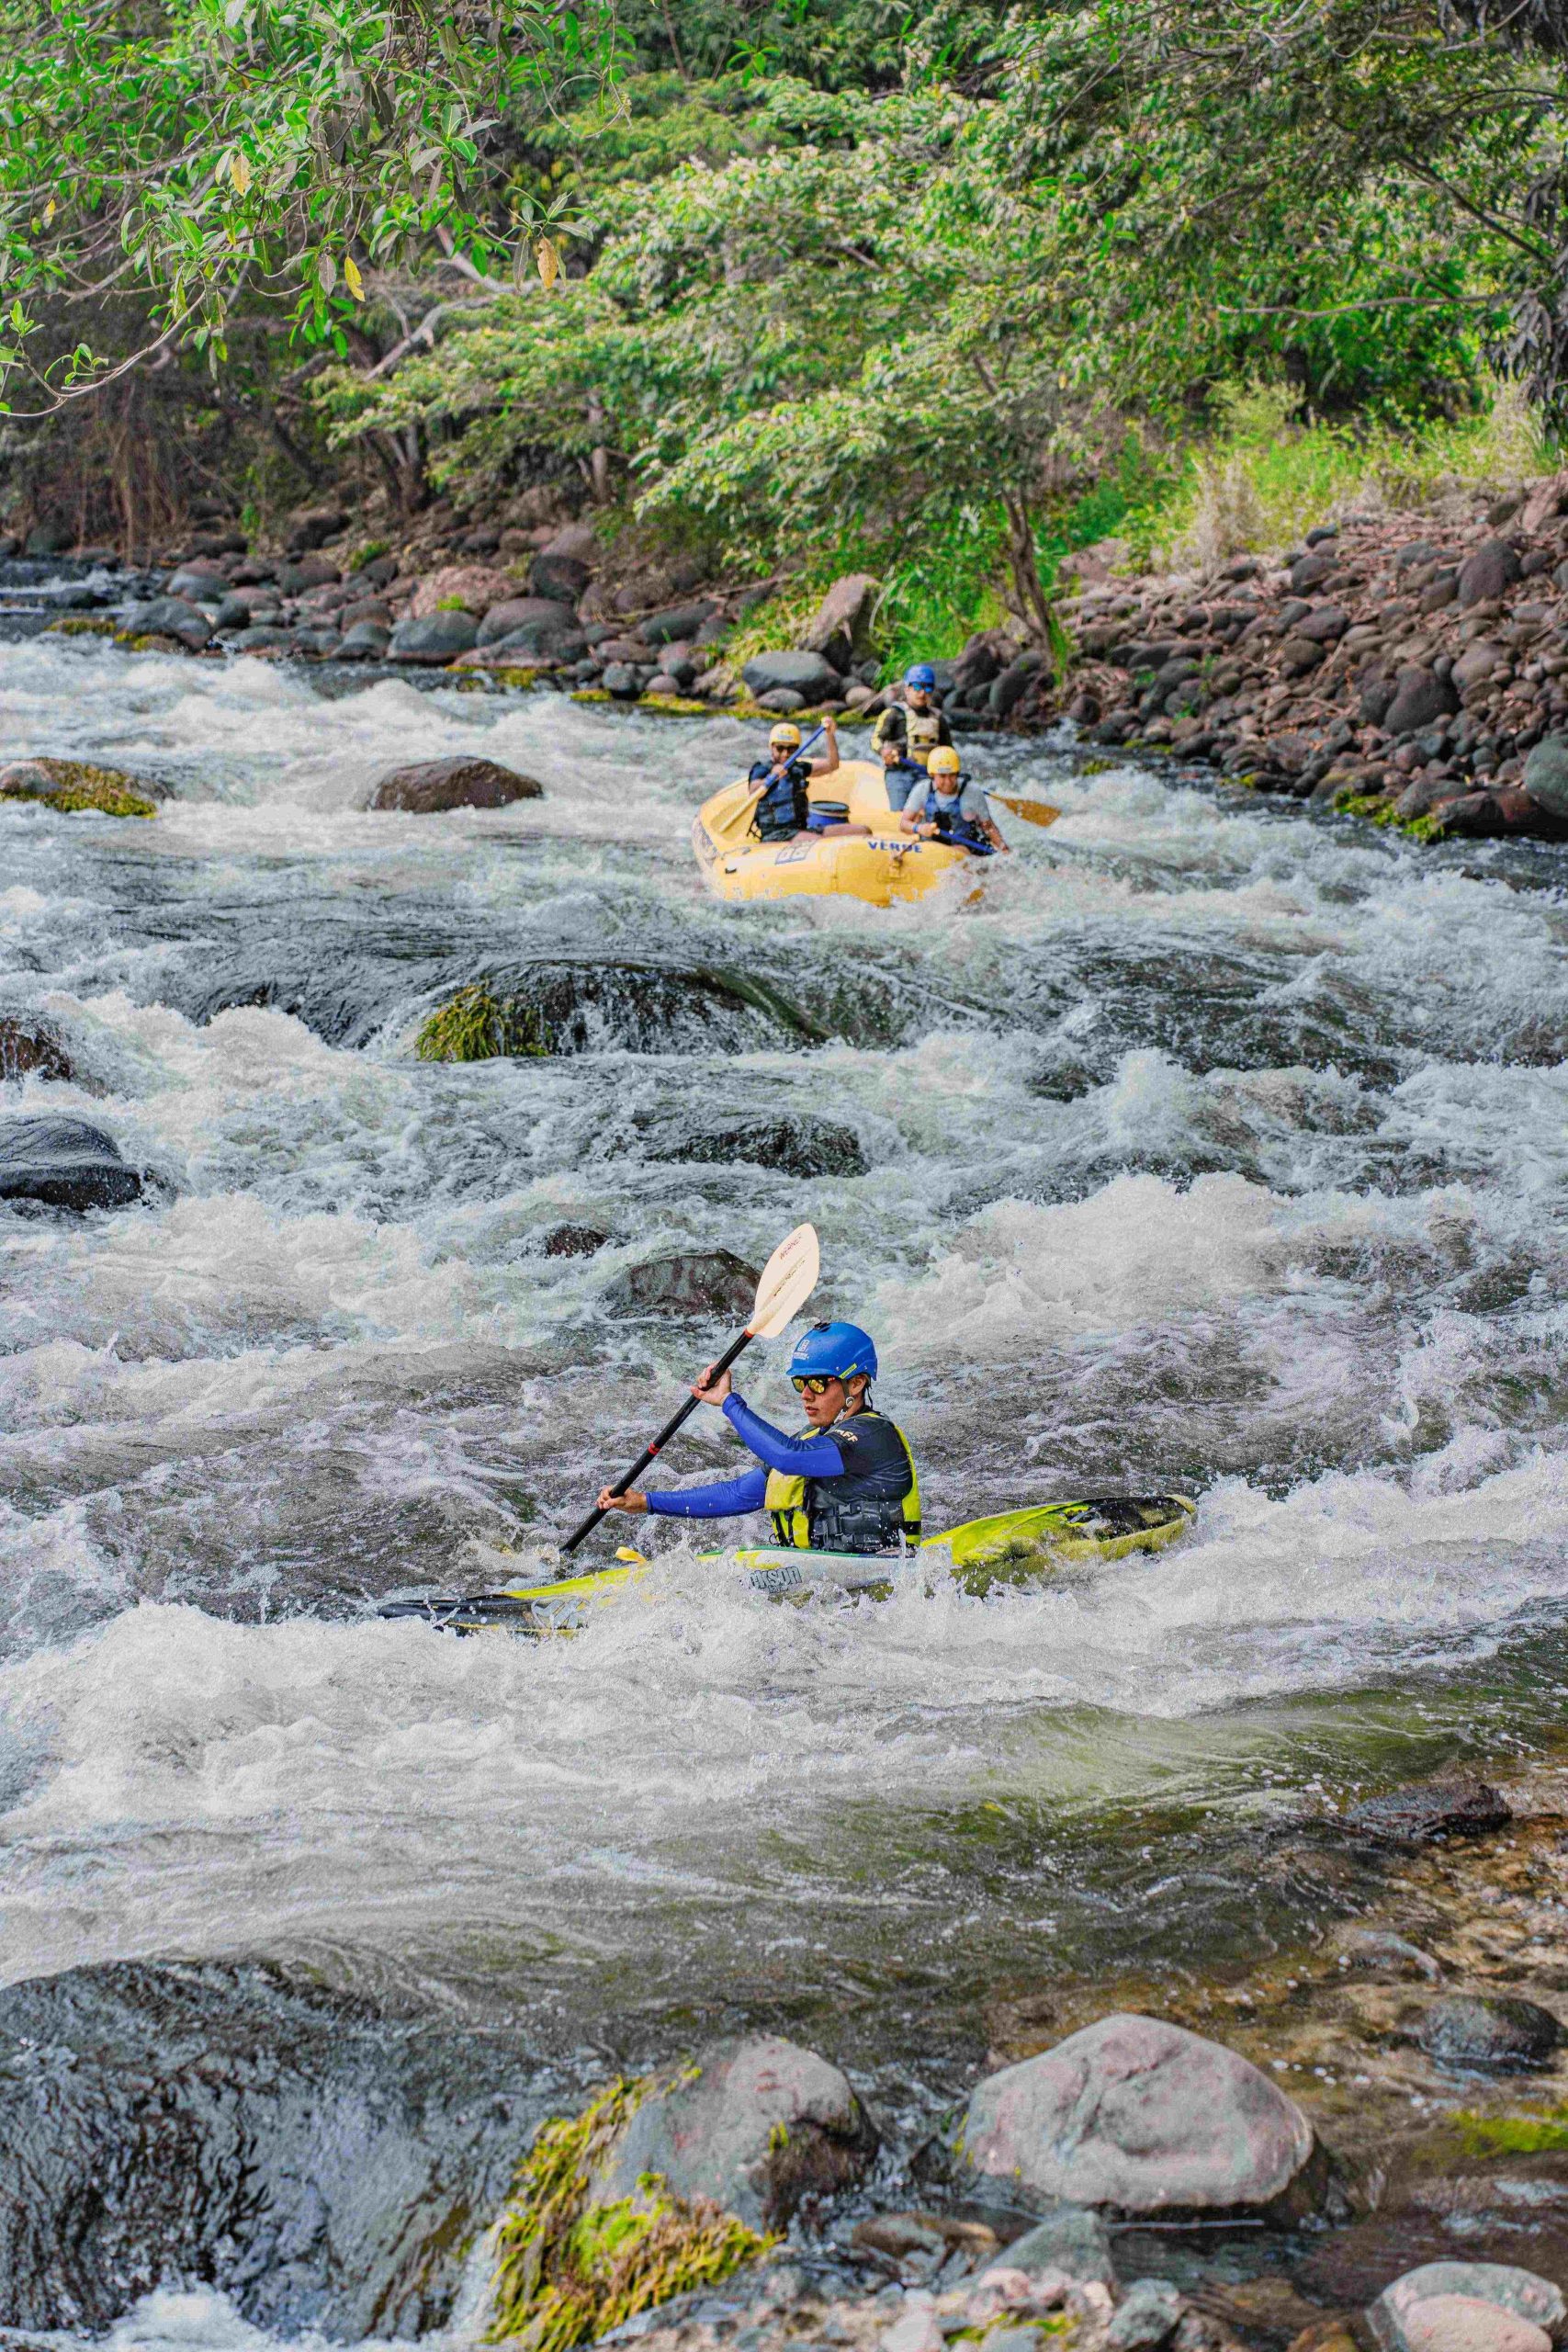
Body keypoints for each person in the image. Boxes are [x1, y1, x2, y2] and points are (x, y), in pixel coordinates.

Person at [595, 1321, 920, 1555]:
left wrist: (728, 1402)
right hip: (818, 1582)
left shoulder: (874, 1437)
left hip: (881, 1574)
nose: (806, 1395)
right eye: (800, 1384)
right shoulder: (810, 1441)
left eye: (819, 1384)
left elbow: (788, 1457)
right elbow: (737, 1494)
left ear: (858, 1382)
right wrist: (646, 1502)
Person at [901, 743, 1009, 855]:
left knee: (958, 850)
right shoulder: (922, 789)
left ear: (957, 773)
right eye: (942, 776)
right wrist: (919, 828)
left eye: (952, 775)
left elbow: (989, 827)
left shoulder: (973, 792)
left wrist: (1004, 850)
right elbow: (903, 824)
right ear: (932, 775)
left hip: (965, 850)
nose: (948, 782)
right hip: (932, 848)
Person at [747, 718, 839, 843]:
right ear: (772, 747)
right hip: (776, 834)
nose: (785, 754)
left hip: (801, 830)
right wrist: (771, 777)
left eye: (791, 749)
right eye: (780, 748)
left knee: (863, 830)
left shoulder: (799, 768)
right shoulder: (762, 769)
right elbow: (753, 790)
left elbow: (832, 765)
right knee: (821, 843)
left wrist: (830, 734)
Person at [872, 664, 953, 772]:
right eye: (917, 687)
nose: (923, 693)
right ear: (907, 689)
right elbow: (876, 739)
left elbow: (948, 750)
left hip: (931, 773)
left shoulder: (938, 718)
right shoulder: (894, 714)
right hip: (899, 772)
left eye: (928, 688)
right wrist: (883, 750)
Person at [877, 735, 929, 814]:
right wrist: (882, 750)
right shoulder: (890, 722)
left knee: (928, 814)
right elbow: (875, 739)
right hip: (897, 774)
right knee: (898, 816)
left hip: (925, 773)